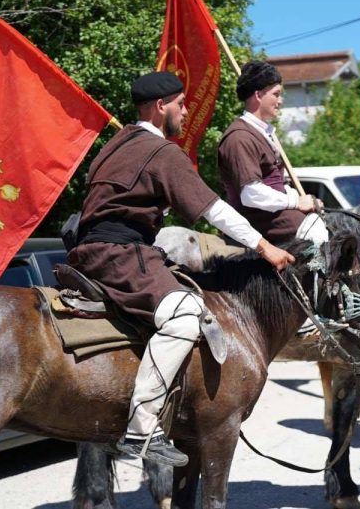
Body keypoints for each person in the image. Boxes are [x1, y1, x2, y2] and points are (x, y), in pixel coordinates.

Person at [68, 71, 295, 466]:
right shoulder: (161, 152)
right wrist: (263, 246)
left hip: (88, 250)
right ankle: (141, 431)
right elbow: (214, 211)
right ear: (161, 107)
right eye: (181, 104)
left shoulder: (116, 144)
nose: (187, 112)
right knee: (186, 315)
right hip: (120, 254)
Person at [217, 61, 327, 246]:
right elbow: (251, 194)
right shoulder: (239, 137)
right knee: (315, 231)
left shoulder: (263, 132)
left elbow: (277, 184)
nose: (281, 101)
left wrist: (308, 201)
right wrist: (296, 201)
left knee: (333, 225)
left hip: (274, 215)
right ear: (258, 95)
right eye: (276, 94)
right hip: (253, 219)